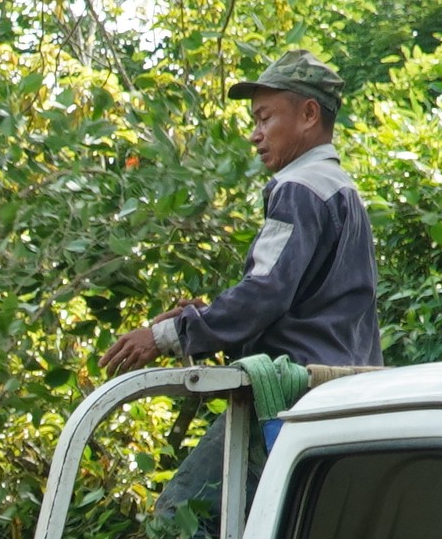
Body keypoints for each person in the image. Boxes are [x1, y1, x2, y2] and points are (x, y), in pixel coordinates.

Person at [101, 51, 380, 375]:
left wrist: (166, 335)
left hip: (299, 390)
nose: (255, 134)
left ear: (308, 114)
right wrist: (207, 318)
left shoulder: (300, 187)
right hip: (349, 382)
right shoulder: (339, 187)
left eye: (265, 118)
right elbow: (304, 313)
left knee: (222, 429)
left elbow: (266, 292)